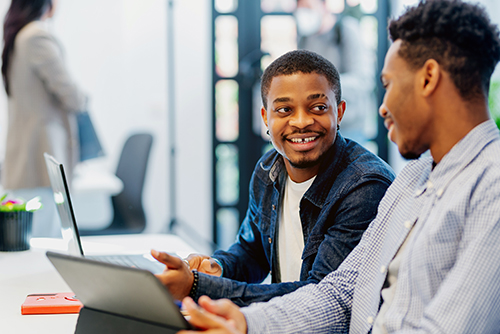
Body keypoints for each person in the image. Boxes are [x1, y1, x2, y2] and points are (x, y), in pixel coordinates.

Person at [174, 1, 500, 333]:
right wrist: (245, 323)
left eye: (388, 85)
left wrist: (206, 290)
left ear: (428, 78)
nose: (383, 107)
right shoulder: (413, 179)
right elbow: (340, 294)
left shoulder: (492, 186)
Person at [152, 50, 395, 306]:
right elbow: (252, 251)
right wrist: (217, 267)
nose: (301, 122)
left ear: (340, 111)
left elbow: (321, 298)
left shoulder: (365, 186)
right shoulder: (268, 169)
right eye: (284, 109)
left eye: (318, 107)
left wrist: (200, 287)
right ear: (266, 117)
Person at [1, 0, 86, 237]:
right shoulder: (36, 37)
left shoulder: (18, 36)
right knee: (46, 244)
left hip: (28, 160)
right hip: (42, 161)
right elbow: (71, 95)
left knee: (33, 241)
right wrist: (84, 97)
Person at [294, 0, 376, 145]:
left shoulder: (346, 30)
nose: (303, 13)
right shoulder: (305, 38)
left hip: (349, 126)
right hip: (318, 125)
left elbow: (363, 79)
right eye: (300, 8)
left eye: (308, 7)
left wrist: (321, 85)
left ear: (324, 6)